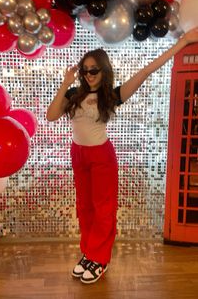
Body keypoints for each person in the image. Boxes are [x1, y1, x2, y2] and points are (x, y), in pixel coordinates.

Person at [46, 27, 198, 284]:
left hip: (101, 156)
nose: (89, 74)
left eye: (94, 70)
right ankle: (88, 252)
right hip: (78, 154)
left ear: (103, 70)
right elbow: (51, 115)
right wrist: (66, 82)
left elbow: (146, 71)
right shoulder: (74, 95)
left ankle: (100, 258)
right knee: (85, 207)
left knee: (103, 208)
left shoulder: (111, 96)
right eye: (85, 70)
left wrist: (182, 42)